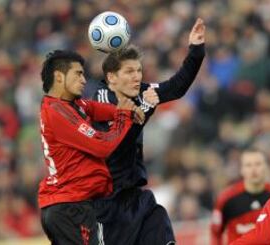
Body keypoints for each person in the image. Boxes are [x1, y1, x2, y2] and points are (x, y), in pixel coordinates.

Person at [91, 18, 205, 245]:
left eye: (139, 71)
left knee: (158, 216)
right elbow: (117, 143)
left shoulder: (140, 92)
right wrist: (145, 109)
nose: (137, 77)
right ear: (112, 78)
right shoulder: (100, 103)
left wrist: (196, 50)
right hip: (107, 204)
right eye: (129, 71)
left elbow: (176, 87)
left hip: (136, 197)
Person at [38, 50, 142, 244]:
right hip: (70, 206)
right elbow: (102, 146)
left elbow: (93, 108)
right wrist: (123, 116)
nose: (84, 80)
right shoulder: (58, 111)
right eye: (78, 74)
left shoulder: (70, 106)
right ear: (59, 77)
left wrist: (123, 110)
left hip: (68, 205)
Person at [210, 149, 270, 245]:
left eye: (258, 164)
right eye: (248, 165)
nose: (253, 169)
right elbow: (215, 233)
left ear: (265, 167)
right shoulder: (226, 198)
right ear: (241, 170)